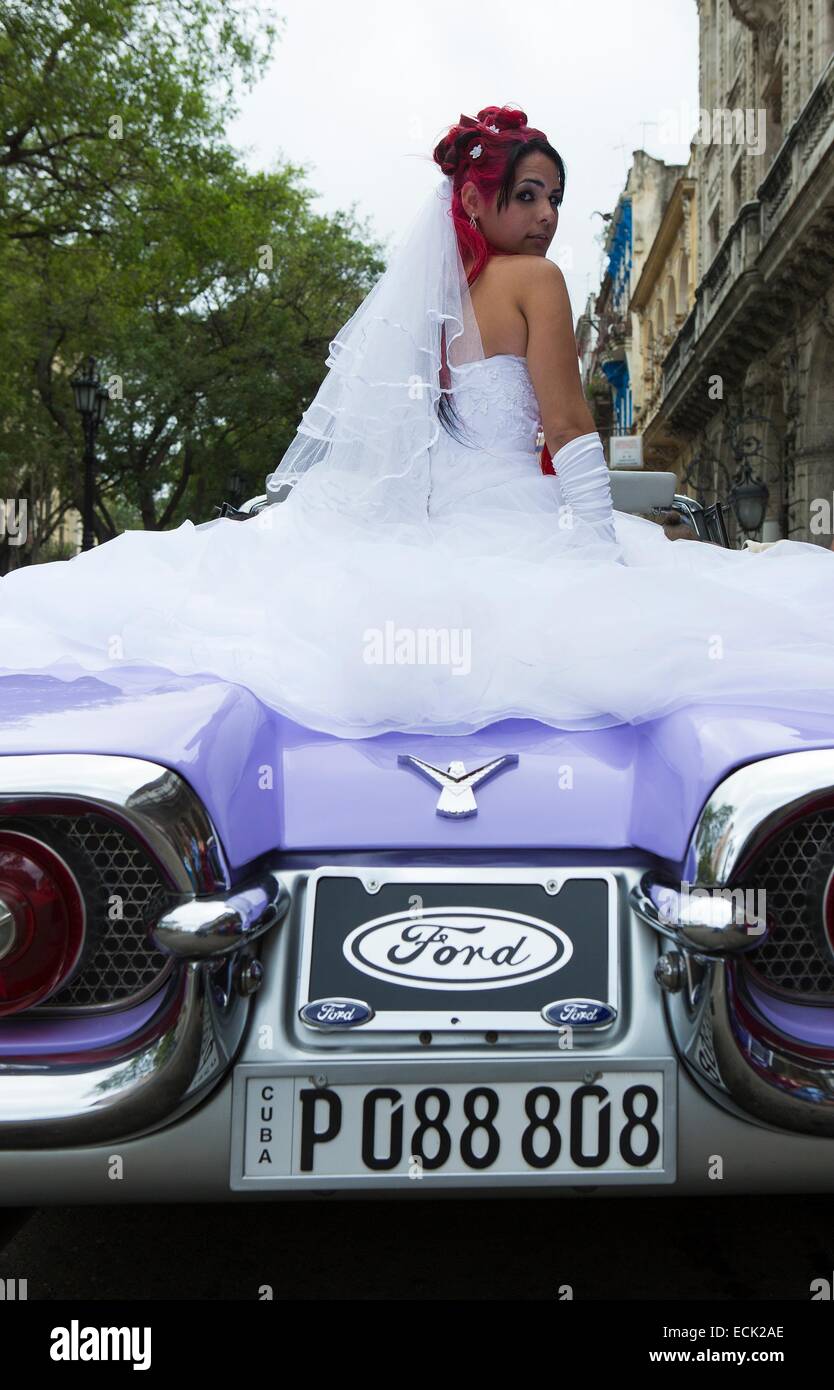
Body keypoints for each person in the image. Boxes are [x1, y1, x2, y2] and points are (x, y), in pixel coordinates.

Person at [2, 103, 834, 741]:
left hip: (436, 523)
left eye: (555, 199)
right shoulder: (534, 282)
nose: (546, 216)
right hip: (518, 521)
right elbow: (569, 419)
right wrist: (594, 544)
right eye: (530, 194)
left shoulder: (433, 307)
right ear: (477, 196)